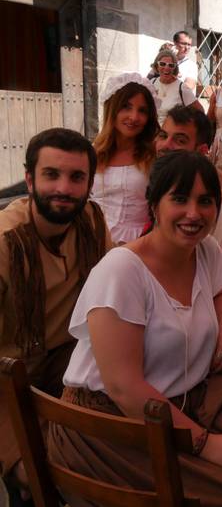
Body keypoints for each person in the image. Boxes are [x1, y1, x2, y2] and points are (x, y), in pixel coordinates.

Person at [48, 151, 222, 507]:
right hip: (110, 422)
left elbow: (220, 290)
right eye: (179, 199)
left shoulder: (203, 249)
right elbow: (124, 387)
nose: (194, 213)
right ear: (154, 204)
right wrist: (204, 443)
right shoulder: (121, 271)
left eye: (205, 201)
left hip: (184, 393)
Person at [0, 128, 111, 498]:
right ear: (30, 180)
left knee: (116, 451)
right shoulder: (5, 242)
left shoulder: (92, 221)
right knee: (35, 475)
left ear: (89, 184)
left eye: (76, 177)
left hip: (69, 362)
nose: (64, 188)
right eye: (52, 175)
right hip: (8, 379)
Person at [92, 73, 159, 244]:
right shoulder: (93, 152)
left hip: (139, 243)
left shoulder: (154, 155)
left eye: (142, 111)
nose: (134, 117)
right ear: (112, 109)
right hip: (93, 238)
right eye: (126, 107)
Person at [154, 105, 222, 245]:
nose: (166, 145)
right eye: (163, 136)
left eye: (180, 140)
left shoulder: (205, 202)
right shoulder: (144, 181)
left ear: (201, 151)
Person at [150, 49, 201, 125]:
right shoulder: (151, 83)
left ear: (174, 68)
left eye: (171, 65)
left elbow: (200, 111)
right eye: (162, 64)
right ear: (157, 66)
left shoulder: (182, 88)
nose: (166, 68)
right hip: (153, 131)